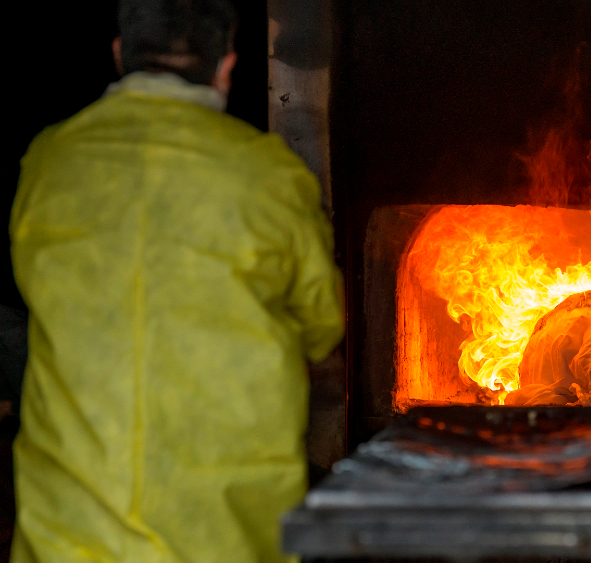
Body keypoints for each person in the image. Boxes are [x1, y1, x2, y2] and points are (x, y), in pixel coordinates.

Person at [8, 0, 345, 561]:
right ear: (226, 67)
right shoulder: (269, 175)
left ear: (120, 54)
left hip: (68, 527)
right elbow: (323, 323)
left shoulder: (50, 159)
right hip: (223, 531)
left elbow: (30, 286)